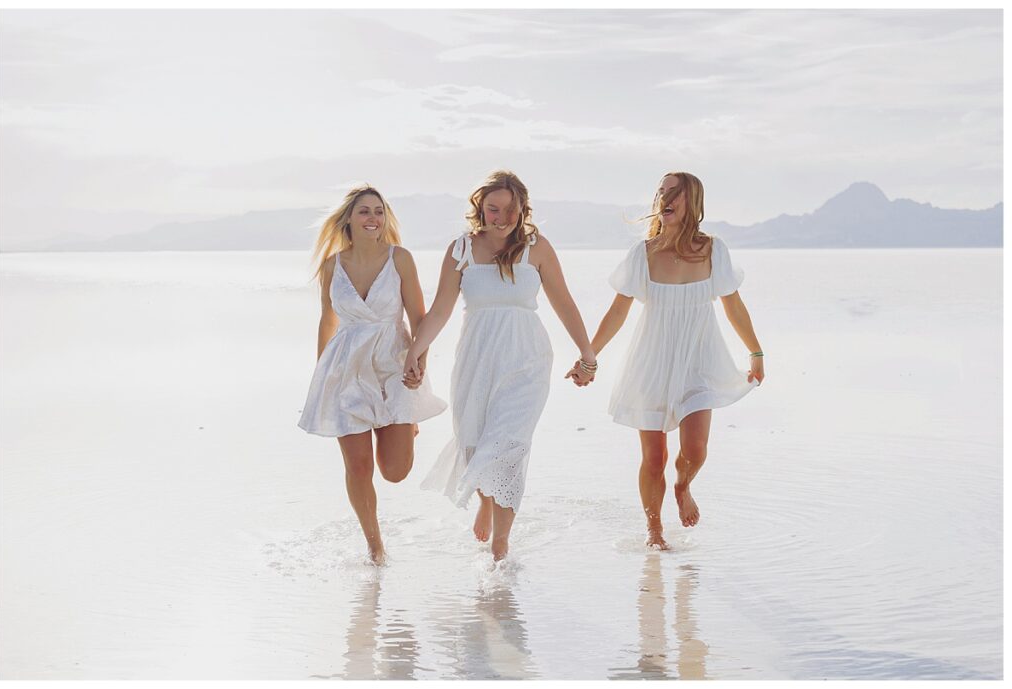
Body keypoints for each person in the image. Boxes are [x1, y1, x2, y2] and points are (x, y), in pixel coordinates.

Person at [403, 170, 596, 561]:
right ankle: (486, 502)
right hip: (476, 356)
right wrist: (415, 351)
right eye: (493, 209)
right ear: (480, 208)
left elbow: (565, 303)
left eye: (511, 209)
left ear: (523, 208)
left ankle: (501, 543)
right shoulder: (461, 249)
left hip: (526, 357)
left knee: (509, 445)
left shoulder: (537, 248)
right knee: (474, 443)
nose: (502, 217)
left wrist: (587, 354)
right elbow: (441, 308)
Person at [579, 172, 764, 549]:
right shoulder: (643, 255)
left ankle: (683, 486)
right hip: (652, 362)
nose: (665, 199)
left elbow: (734, 306)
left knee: (695, 450)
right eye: (661, 192)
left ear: (692, 202)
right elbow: (617, 312)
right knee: (654, 457)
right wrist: (589, 355)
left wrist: (756, 352)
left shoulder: (714, 250)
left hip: (699, 361)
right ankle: (655, 530)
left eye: (675, 194)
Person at [298, 185, 447, 565]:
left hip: (393, 363)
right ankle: (375, 547)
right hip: (345, 370)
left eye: (379, 212)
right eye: (364, 211)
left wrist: (420, 362)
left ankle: (406, 422)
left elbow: (419, 318)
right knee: (359, 466)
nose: (373, 219)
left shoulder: (401, 259)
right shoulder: (331, 265)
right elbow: (327, 321)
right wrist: (322, 379)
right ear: (348, 218)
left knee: (396, 471)